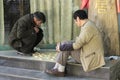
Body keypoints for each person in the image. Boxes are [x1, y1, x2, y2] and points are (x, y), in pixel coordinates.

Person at [45, 10, 105, 77]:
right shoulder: (88, 24)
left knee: (66, 47)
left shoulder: (88, 27)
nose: (75, 23)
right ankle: (56, 68)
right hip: (90, 54)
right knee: (66, 44)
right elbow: (80, 41)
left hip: (91, 58)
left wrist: (61, 47)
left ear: (78, 19)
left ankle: (60, 70)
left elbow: (77, 45)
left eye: (75, 21)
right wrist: (64, 45)